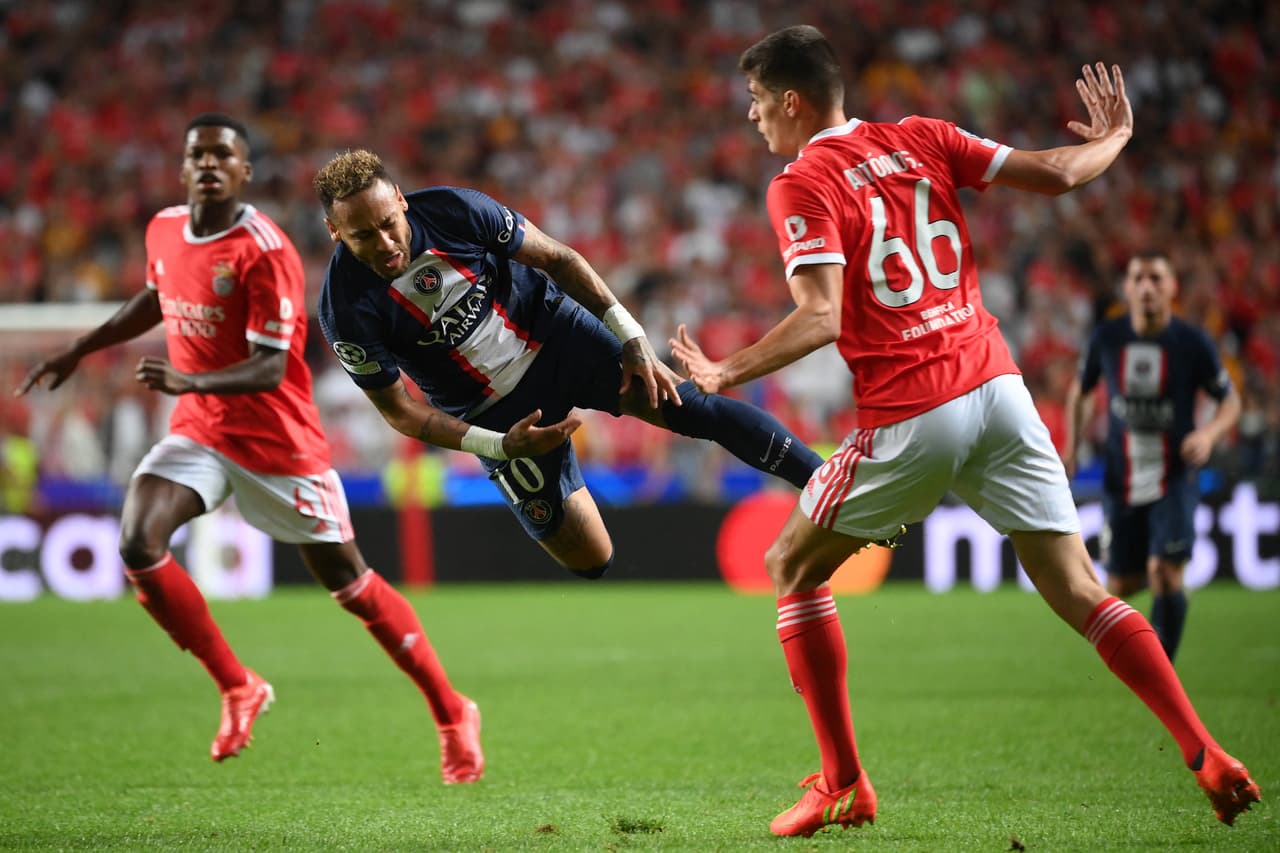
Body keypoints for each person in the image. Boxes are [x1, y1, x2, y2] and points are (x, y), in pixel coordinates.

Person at [668, 25, 1260, 837]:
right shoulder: (925, 136)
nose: (751, 117)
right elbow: (1056, 171)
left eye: (758, 101)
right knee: (1082, 590)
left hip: (915, 408)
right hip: (1000, 387)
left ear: (793, 102)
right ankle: (1206, 750)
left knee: (791, 566)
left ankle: (843, 780)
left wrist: (722, 372)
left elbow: (820, 315)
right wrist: (1119, 134)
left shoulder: (800, 183)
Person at [15, 114, 483, 784]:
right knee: (137, 542)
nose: (208, 164)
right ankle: (238, 685)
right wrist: (81, 349)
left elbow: (271, 364)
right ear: (183, 167)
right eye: (197, 154)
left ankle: (450, 708)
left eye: (222, 155)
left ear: (244, 172)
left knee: (351, 586)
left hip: (276, 438)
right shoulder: (164, 228)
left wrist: (187, 377)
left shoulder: (265, 250)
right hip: (202, 426)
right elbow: (158, 295)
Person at [311, 150, 824, 578]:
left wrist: (632, 338)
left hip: (559, 339)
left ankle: (835, 488)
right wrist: (499, 446)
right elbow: (397, 411)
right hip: (493, 414)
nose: (385, 245)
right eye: (363, 236)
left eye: (388, 224)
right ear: (335, 231)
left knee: (690, 408)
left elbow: (560, 258)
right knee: (590, 559)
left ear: (400, 199)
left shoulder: (455, 210)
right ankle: (556, 470)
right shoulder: (344, 308)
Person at [1065, 250, 1241, 662]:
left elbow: (1230, 400)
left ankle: (1162, 667)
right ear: (1127, 288)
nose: (1147, 287)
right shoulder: (1107, 338)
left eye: (1156, 279)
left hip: (1174, 476)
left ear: (1172, 288)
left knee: (1163, 569)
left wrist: (1210, 434)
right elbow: (1080, 389)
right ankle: (1173, 586)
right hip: (1121, 478)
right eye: (1139, 278)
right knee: (1121, 584)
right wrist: (1072, 447)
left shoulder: (1192, 343)